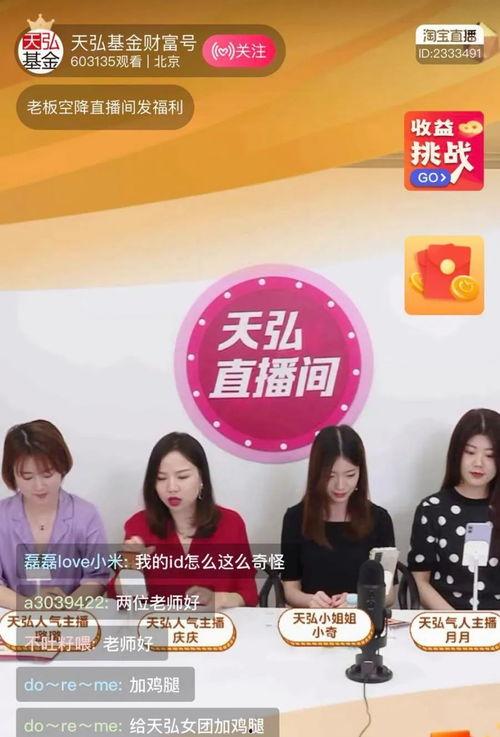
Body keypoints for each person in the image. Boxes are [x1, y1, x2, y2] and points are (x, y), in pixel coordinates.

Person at [109, 432, 258, 609]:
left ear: (202, 478)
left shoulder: (231, 523)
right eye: (161, 478)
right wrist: (132, 567)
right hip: (158, 624)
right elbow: (119, 598)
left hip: (213, 624)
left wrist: (219, 599)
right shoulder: (139, 525)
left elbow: (248, 592)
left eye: (182, 477)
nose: (172, 487)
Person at [281, 425, 396, 608]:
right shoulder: (295, 519)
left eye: (350, 475)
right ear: (316, 473)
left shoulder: (379, 519)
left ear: (360, 472)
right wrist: (310, 600)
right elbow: (290, 589)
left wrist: (356, 601)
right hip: (315, 619)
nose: (340, 485)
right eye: (330, 475)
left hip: (361, 619)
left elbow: (389, 595)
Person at [0, 420, 109, 610]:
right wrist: (31, 605)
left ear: (62, 467)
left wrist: (66, 606)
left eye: (47, 474)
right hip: (13, 620)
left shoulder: (85, 515)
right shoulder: (3, 517)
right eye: (27, 477)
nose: (39, 486)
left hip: (70, 619)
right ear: (12, 475)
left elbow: (97, 577)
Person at [408, 408, 500, 610]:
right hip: (449, 620)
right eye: (470, 452)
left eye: (490, 455)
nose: (478, 463)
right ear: (457, 453)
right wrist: (458, 620)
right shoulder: (432, 509)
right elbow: (419, 580)